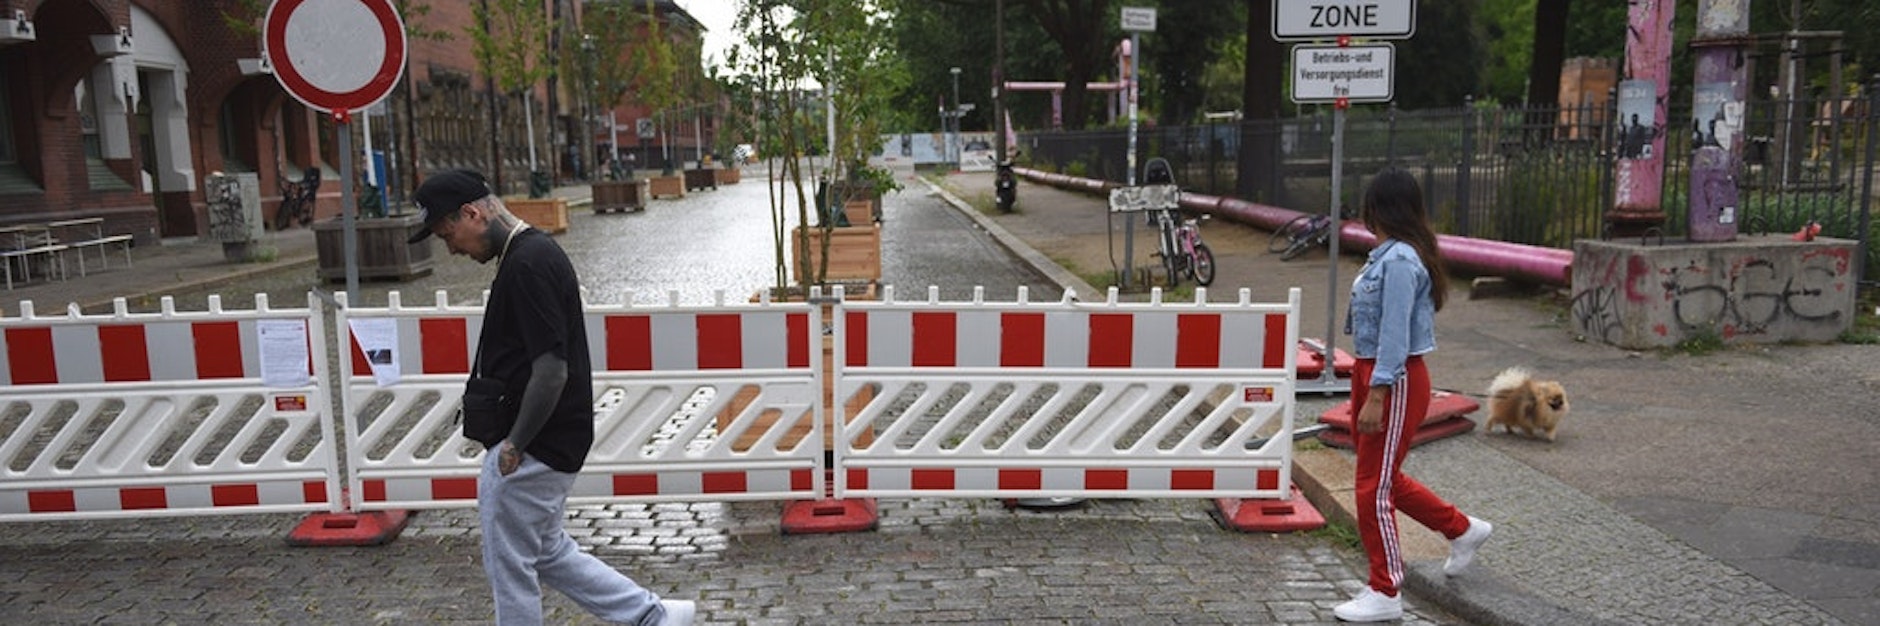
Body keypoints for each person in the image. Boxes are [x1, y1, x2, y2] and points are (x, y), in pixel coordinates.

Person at [408, 169, 696, 626]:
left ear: (472, 213)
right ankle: (653, 615)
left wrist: (514, 445)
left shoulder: (528, 264)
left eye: (449, 235)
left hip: (533, 445)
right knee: (547, 551)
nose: (452, 249)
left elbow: (551, 369)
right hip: (551, 436)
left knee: (509, 566)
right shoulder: (527, 255)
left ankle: (652, 615)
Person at [1334, 168, 1494, 622]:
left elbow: (1395, 332)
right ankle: (1462, 530)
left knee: (1373, 488)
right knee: (1381, 478)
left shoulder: (1401, 260)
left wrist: (1378, 392)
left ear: (1378, 208)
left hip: (1394, 377)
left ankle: (1385, 591)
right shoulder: (1387, 255)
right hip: (1375, 373)